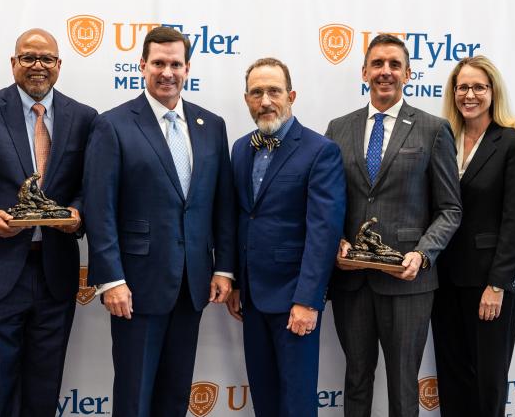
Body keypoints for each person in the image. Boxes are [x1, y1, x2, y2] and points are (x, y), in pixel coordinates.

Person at [83, 26, 236, 417]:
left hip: (192, 285)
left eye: (175, 64)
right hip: (135, 286)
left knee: (174, 395)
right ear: (142, 66)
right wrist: (111, 280)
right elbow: (100, 210)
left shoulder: (211, 126)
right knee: (134, 397)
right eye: (158, 63)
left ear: (187, 68)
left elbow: (221, 205)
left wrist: (224, 268)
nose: (167, 72)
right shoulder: (112, 124)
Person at [0, 28, 96, 417]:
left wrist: (77, 214)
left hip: (55, 274)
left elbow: (89, 185)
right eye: (28, 57)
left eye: (46, 59)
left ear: (59, 65)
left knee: (44, 389)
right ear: (13, 63)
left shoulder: (84, 117)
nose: (37, 66)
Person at [325, 34, 462, 417]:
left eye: (394, 64)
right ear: (364, 71)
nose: (386, 71)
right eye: (378, 63)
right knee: (355, 380)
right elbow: (326, 200)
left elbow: (450, 208)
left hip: (409, 283)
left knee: (404, 387)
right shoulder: (338, 128)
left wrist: (424, 252)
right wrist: (334, 239)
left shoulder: (433, 129)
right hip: (351, 281)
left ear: (408, 73)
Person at [225, 57, 345, 417]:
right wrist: (234, 282)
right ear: (246, 99)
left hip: (295, 299)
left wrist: (308, 301)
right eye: (257, 92)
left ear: (291, 96)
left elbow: (324, 231)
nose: (265, 101)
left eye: (274, 91)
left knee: (296, 403)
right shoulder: (240, 149)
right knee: (265, 399)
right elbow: (240, 218)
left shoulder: (320, 150)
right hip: (251, 298)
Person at [431, 56, 515, 417]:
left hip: (490, 282)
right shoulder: (443, 139)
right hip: (445, 280)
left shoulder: (512, 142)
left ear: (493, 91)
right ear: (453, 92)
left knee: (488, 382)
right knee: (452, 376)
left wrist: (497, 285)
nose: (469, 94)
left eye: (479, 87)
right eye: (462, 87)